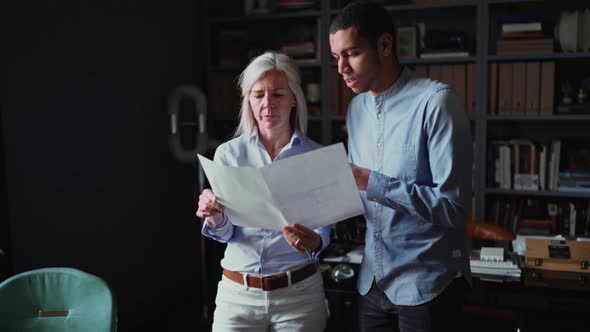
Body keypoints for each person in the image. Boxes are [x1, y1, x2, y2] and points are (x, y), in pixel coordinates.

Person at [329, 2, 473, 332]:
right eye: (336, 57)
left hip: (427, 286)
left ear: (384, 45)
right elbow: (361, 195)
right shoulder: (356, 110)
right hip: (373, 281)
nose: (341, 68)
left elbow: (453, 208)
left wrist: (370, 181)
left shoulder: (436, 103)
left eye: (350, 54)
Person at [196, 51, 330, 332]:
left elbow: (324, 236)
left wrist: (313, 242)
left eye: (277, 94)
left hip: (300, 297)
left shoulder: (316, 158)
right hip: (237, 297)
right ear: (249, 101)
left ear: (293, 98)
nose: (267, 104)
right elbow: (226, 234)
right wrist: (215, 216)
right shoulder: (228, 155)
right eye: (258, 95)